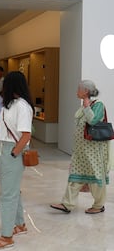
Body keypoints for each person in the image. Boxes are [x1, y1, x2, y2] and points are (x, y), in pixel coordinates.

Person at [50, 80, 109, 215]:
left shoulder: (98, 105)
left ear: (86, 91)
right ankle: (67, 204)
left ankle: (99, 205)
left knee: (95, 178)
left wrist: (87, 107)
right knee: (75, 176)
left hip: (93, 150)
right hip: (81, 150)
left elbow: (93, 121)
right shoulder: (83, 105)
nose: (76, 91)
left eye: (79, 89)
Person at [0, 71, 33, 250]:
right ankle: (20, 225)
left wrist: (14, 153)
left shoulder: (22, 106)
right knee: (13, 190)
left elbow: (26, 135)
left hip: (12, 151)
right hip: (4, 149)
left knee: (7, 194)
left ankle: (7, 236)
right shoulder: (10, 104)